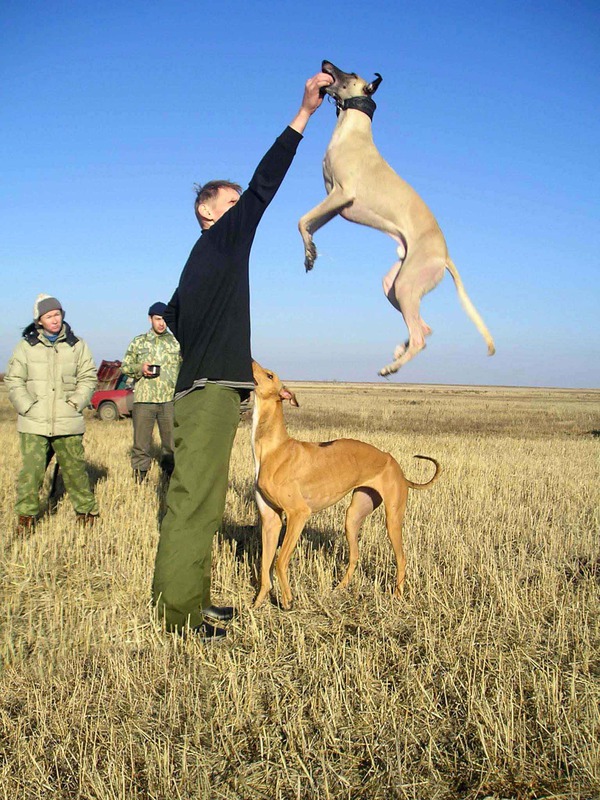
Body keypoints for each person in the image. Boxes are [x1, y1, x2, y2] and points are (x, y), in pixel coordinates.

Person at [152, 71, 334, 639]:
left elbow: (172, 317)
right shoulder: (222, 239)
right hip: (207, 396)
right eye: (231, 205)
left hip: (204, 390)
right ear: (212, 213)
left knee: (200, 502)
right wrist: (303, 113)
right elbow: (262, 186)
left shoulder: (200, 260)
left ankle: (189, 600)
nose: (244, 211)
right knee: (195, 504)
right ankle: (177, 617)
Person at [5, 294, 99, 532]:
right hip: (34, 422)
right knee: (32, 473)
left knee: (76, 471)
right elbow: (14, 380)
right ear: (39, 320)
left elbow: (88, 377)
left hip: (67, 421)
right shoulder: (26, 346)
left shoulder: (77, 344)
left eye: (57, 314)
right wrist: (26, 406)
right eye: (49, 316)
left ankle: (86, 513)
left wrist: (75, 404)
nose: (54, 319)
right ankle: (25, 518)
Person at [121, 302, 181, 483]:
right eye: (157, 319)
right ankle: (140, 477)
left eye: (164, 320)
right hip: (144, 400)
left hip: (169, 400)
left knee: (171, 444)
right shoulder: (139, 342)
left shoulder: (176, 342)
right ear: (150, 319)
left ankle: (169, 477)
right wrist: (140, 368)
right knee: (141, 443)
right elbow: (125, 367)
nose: (161, 324)